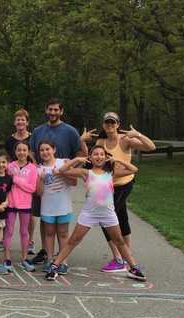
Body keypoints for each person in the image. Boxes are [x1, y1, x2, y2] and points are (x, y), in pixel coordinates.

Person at [45, 145, 146, 282]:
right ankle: (54, 266)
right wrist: (78, 159)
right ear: (90, 158)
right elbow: (62, 170)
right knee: (73, 240)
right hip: (89, 213)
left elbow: (134, 169)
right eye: (95, 154)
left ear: (106, 157)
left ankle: (133, 267)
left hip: (108, 213)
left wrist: (118, 160)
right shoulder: (86, 172)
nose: (99, 157)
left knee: (119, 241)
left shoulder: (111, 172)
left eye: (101, 154)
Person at [81, 112, 156, 272]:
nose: (110, 125)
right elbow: (90, 160)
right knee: (121, 217)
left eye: (113, 123)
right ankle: (126, 255)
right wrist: (82, 141)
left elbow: (151, 147)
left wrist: (139, 135)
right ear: (103, 125)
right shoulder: (101, 141)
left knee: (106, 218)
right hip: (107, 186)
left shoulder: (126, 139)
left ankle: (119, 258)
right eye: (107, 123)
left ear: (118, 124)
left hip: (124, 184)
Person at [29, 98, 87, 267]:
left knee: (62, 231)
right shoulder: (38, 130)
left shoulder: (70, 131)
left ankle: (61, 260)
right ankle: (47, 256)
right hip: (45, 186)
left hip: (63, 189)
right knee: (47, 227)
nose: (53, 112)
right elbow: (33, 152)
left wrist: (66, 170)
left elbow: (79, 154)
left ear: (61, 111)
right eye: (50, 109)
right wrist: (36, 172)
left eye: (56, 110)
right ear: (46, 110)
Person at [36, 140, 74, 273]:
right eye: (42, 150)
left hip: (63, 205)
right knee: (49, 233)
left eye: (47, 149)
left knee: (63, 234)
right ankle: (50, 259)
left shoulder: (63, 163)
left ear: (54, 150)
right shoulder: (39, 168)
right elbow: (39, 192)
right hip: (47, 207)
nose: (45, 152)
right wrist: (40, 178)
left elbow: (73, 182)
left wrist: (62, 173)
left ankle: (63, 261)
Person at [2, 141, 38, 272]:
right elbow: (5, 184)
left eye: (24, 150)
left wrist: (16, 180)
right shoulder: (10, 166)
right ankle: (7, 258)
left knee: (24, 232)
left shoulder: (33, 168)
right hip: (11, 202)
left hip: (25, 203)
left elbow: (32, 188)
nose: (21, 152)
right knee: (9, 231)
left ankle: (24, 258)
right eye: (19, 150)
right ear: (15, 152)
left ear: (28, 152)